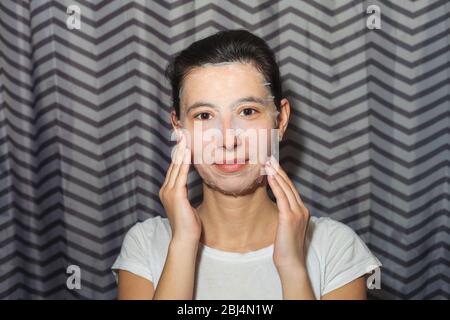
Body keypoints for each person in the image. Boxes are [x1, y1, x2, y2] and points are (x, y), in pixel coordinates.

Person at [112, 29, 382, 300]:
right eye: (204, 115)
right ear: (178, 127)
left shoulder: (335, 246)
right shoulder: (145, 244)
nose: (228, 139)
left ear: (280, 120)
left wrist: (292, 267)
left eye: (248, 111)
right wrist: (183, 244)